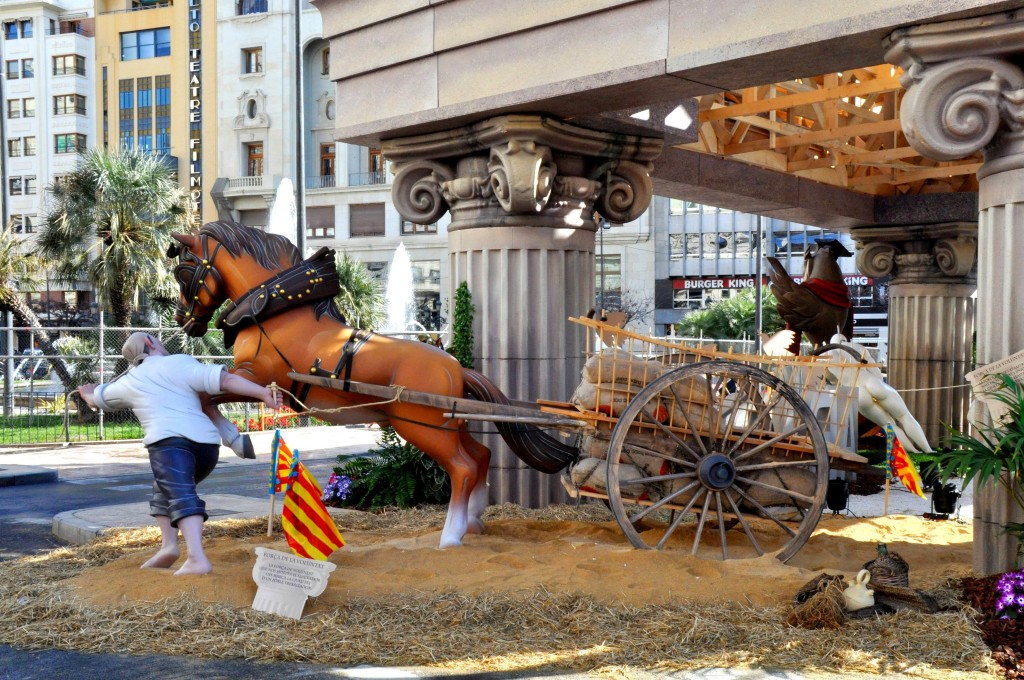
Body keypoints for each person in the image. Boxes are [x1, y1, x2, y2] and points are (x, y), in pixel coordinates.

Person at [78, 332, 282, 576]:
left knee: (180, 493)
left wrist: (87, 391)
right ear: (150, 343)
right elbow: (225, 380)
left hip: (169, 446)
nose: (161, 342)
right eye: (157, 339)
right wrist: (263, 394)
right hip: (207, 448)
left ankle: (196, 557)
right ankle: (169, 547)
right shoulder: (180, 362)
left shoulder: (129, 382)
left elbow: (96, 400)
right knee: (163, 488)